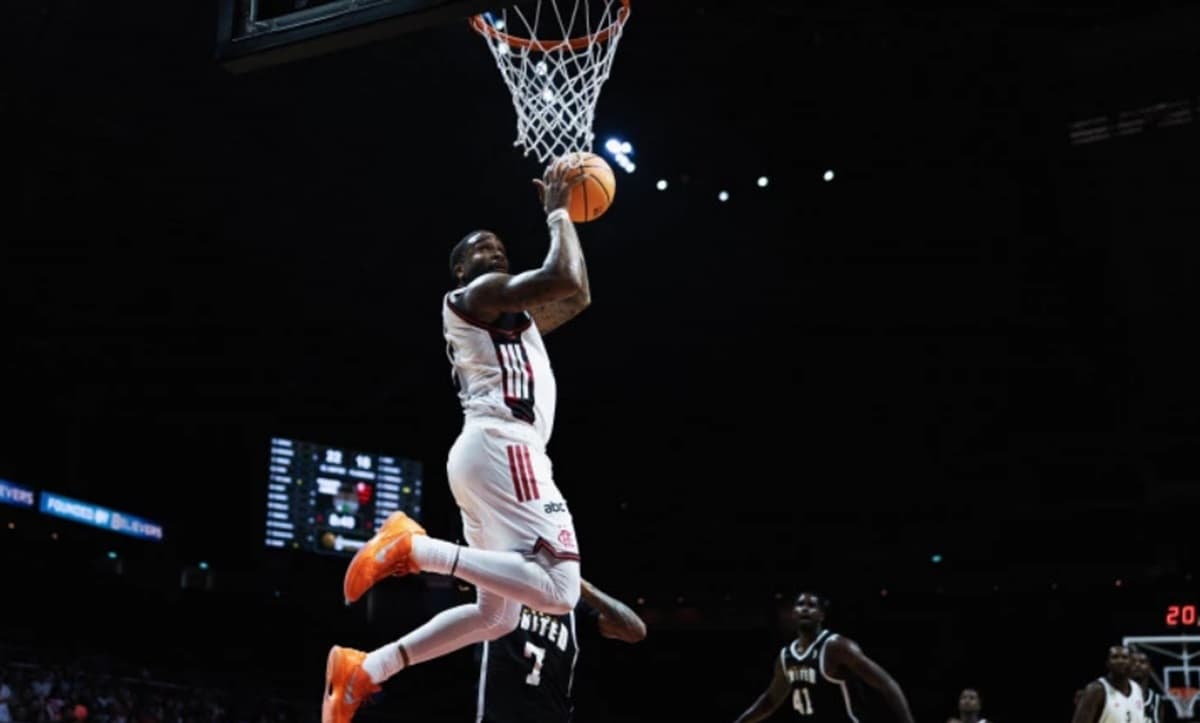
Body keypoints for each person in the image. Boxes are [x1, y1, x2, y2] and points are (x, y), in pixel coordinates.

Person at [321, 158, 593, 723]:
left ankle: (367, 669)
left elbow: (576, 293)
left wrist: (569, 226)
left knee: (497, 619)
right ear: (459, 269)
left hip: (485, 457)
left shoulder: (511, 313)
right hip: (506, 448)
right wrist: (560, 213)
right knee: (562, 590)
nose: (492, 250)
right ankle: (413, 549)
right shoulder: (480, 294)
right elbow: (562, 277)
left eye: (497, 245)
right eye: (478, 247)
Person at [475, 578, 646, 722]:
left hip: (552, 715)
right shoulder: (498, 583)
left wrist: (579, 584)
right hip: (497, 714)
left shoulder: (573, 605)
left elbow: (635, 631)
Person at [732, 592, 916, 722]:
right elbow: (770, 701)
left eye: (811, 606)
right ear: (793, 613)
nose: (805, 609)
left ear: (822, 615)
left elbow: (887, 684)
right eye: (800, 605)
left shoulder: (837, 646)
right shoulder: (786, 657)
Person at [1071, 645, 1145, 723]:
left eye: (1124, 657)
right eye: (1115, 657)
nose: (1120, 661)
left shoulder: (1137, 689)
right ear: (1107, 663)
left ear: (1131, 662)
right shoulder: (1096, 690)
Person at [1130, 649, 1163, 723]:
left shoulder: (1156, 700)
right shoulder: (1116, 696)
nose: (1137, 664)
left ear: (1150, 668)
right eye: (1133, 662)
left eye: (1142, 662)